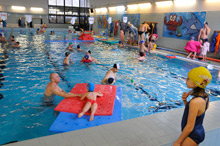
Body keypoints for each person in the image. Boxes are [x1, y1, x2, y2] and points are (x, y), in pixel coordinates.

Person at [173, 66, 212, 146]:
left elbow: (189, 126)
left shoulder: (195, 101)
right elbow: (199, 112)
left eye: (188, 78)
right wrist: (185, 101)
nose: (186, 80)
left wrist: (178, 142)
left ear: (195, 84)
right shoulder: (205, 96)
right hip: (198, 130)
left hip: (193, 134)